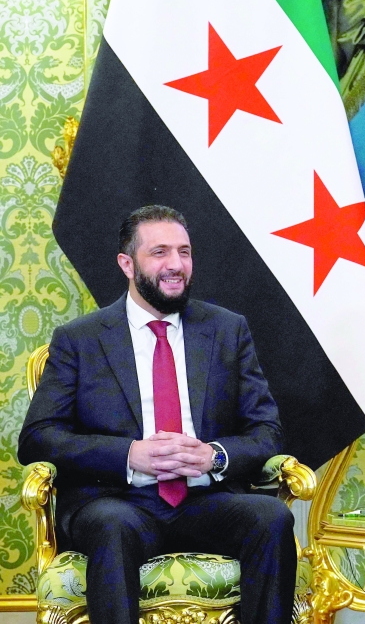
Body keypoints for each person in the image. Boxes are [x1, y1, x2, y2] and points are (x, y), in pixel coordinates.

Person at [19, 205, 296, 624]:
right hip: (118, 500)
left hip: (207, 499)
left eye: (184, 252)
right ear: (127, 264)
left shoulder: (226, 330)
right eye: (160, 252)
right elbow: (37, 436)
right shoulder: (81, 340)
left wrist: (214, 457)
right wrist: (129, 455)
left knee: (272, 516)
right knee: (113, 525)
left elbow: (267, 430)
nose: (176, 265)